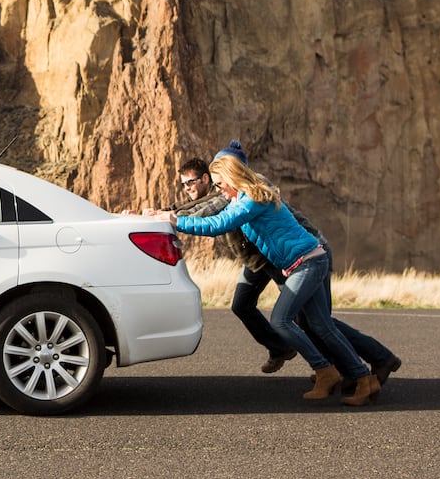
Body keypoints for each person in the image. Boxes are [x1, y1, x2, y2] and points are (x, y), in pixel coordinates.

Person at [153, 154, 380, 406]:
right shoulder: (239, 198)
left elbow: (218, 223)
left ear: (231, 179)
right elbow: (205, 210)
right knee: (321, 325)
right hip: (303, 262)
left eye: (219, 184)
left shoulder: (252, 200)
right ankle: (362, 378)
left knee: (282, 320)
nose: (218, 190)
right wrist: (166, 214)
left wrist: (175, 221)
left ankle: (325, 370)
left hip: (308, 262)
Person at [187, 143, 402, 389]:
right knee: (298, 317)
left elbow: (212, 214)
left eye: (192, 182)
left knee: (313, 321)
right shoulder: (233, 191)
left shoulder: (253, 188)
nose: (189, 187)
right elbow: (203, 209)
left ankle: (360, 365)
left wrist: (168, 217)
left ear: (231, 171)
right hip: (271, 259)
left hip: (304, 254)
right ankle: (314, 360)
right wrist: (167, 213)